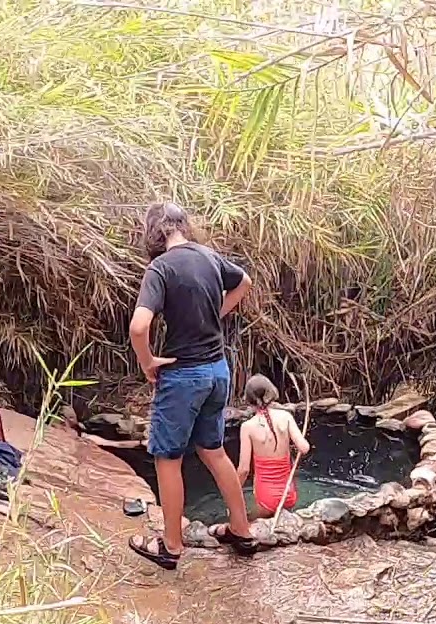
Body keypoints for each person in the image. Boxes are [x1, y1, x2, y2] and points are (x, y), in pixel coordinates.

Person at [127, 202, 258, 569]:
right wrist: (216, 313)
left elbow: (139, 327)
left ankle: (170, 546)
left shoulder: (160, 268)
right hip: (218, 370)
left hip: (184, 375)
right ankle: (242, 531)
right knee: (213, 451)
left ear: (153, 233)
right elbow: (244, 282)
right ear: (183, 226)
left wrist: (147, 361)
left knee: (168, 459)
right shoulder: (209, 256)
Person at [231, 374, 310, 520]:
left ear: (249, 400)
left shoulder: (247, 427)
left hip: (266, 497)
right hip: (289, 493)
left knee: (252, 523)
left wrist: (232, 495)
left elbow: (244, 470)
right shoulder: (286, 417)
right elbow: (304, 448)